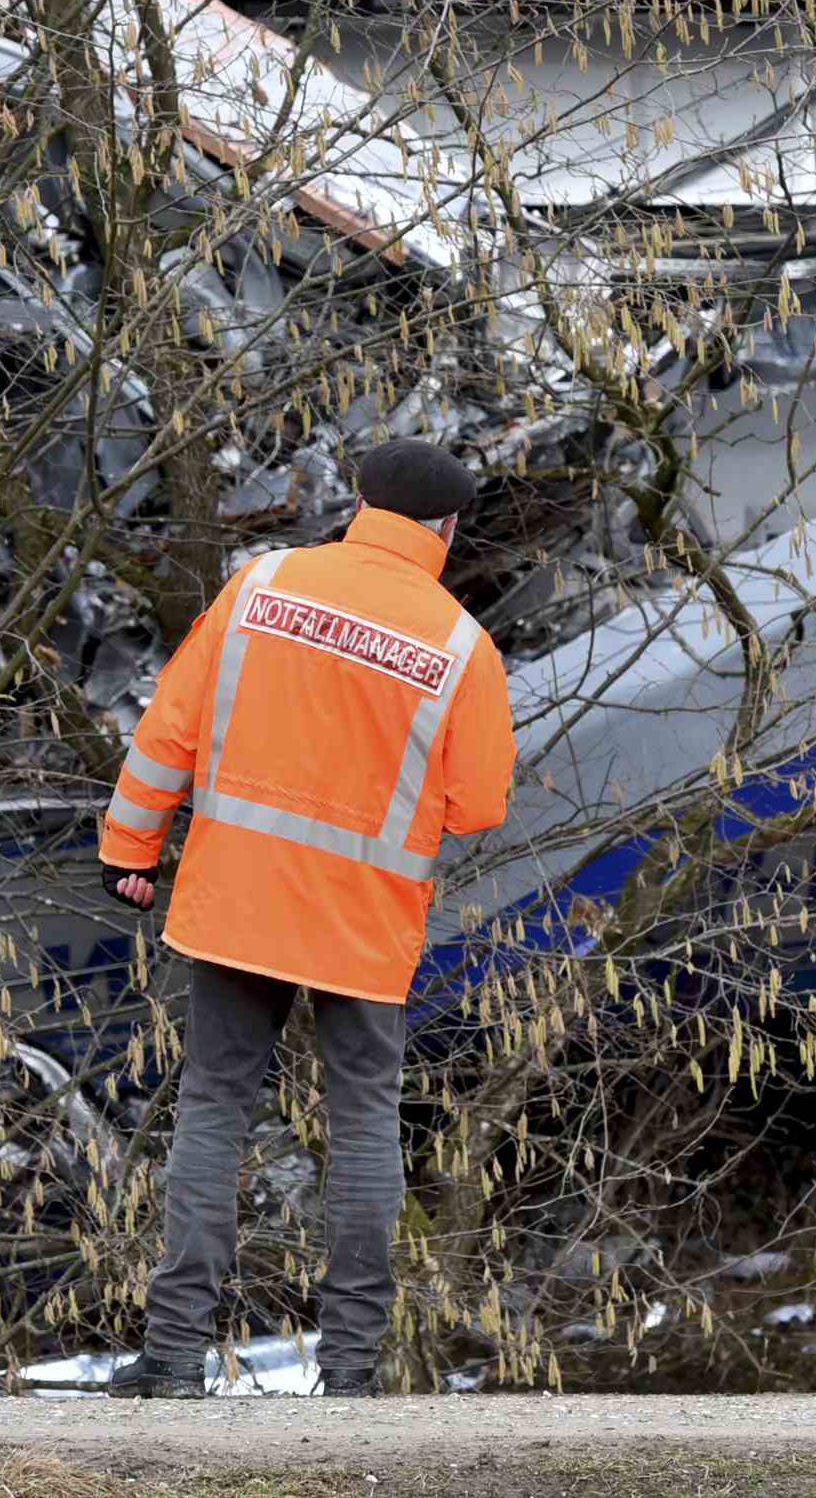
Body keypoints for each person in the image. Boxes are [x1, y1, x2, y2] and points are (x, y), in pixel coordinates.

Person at [98, 439, 517, 1399]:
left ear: (359, 501)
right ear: (445, 528)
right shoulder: (460, 645)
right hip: (363, 924)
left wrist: (130, 848)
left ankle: (169, 1360)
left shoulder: (260, 585)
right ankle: (355, 1373)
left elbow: (170, 729)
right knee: (365, 1124)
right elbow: (481, 803)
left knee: (213, 1112)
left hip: (236, 904)